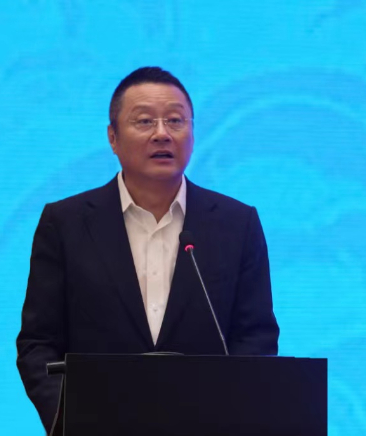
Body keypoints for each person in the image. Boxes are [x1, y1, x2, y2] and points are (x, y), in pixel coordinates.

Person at [16, 66, 279, 433]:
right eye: (144, 121)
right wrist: (70, 419)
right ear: (113, 137)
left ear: (192, 133)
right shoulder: (66, 223)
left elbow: (256, 338)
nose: (161, 134)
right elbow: (38, 343)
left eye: (175, 120)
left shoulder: (237, 223)